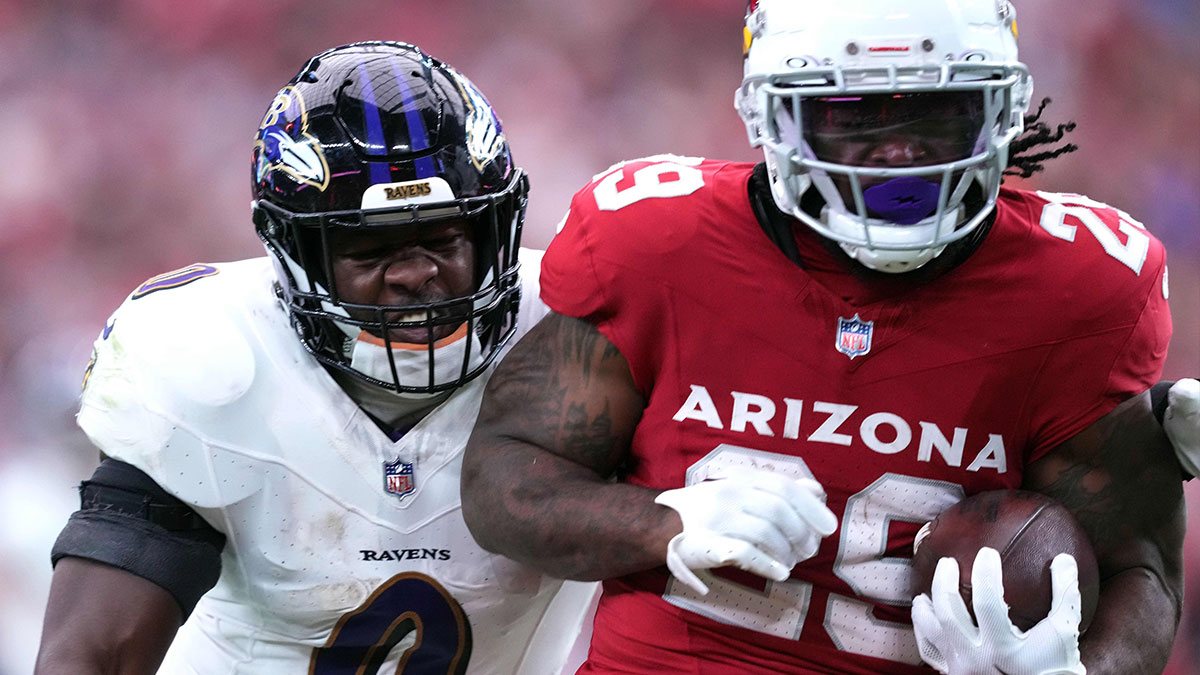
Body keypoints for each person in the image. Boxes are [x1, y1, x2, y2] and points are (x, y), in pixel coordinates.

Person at [460, 2, 1192, 674]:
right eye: (853, 116)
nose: (899, 157)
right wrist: (661, 522)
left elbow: (1142, 567)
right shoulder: (661, 243)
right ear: (771, 118)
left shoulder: (1076, 288)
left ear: (1000, 110)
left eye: (936, 116)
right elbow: (508, 475)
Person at [35, 41, 595, 674]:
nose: (414, 273)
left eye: (442, 237)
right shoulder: (212, 359)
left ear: (495, 230)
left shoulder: (585, 330)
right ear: (299, 253)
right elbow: (92, 653)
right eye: (370, 248)